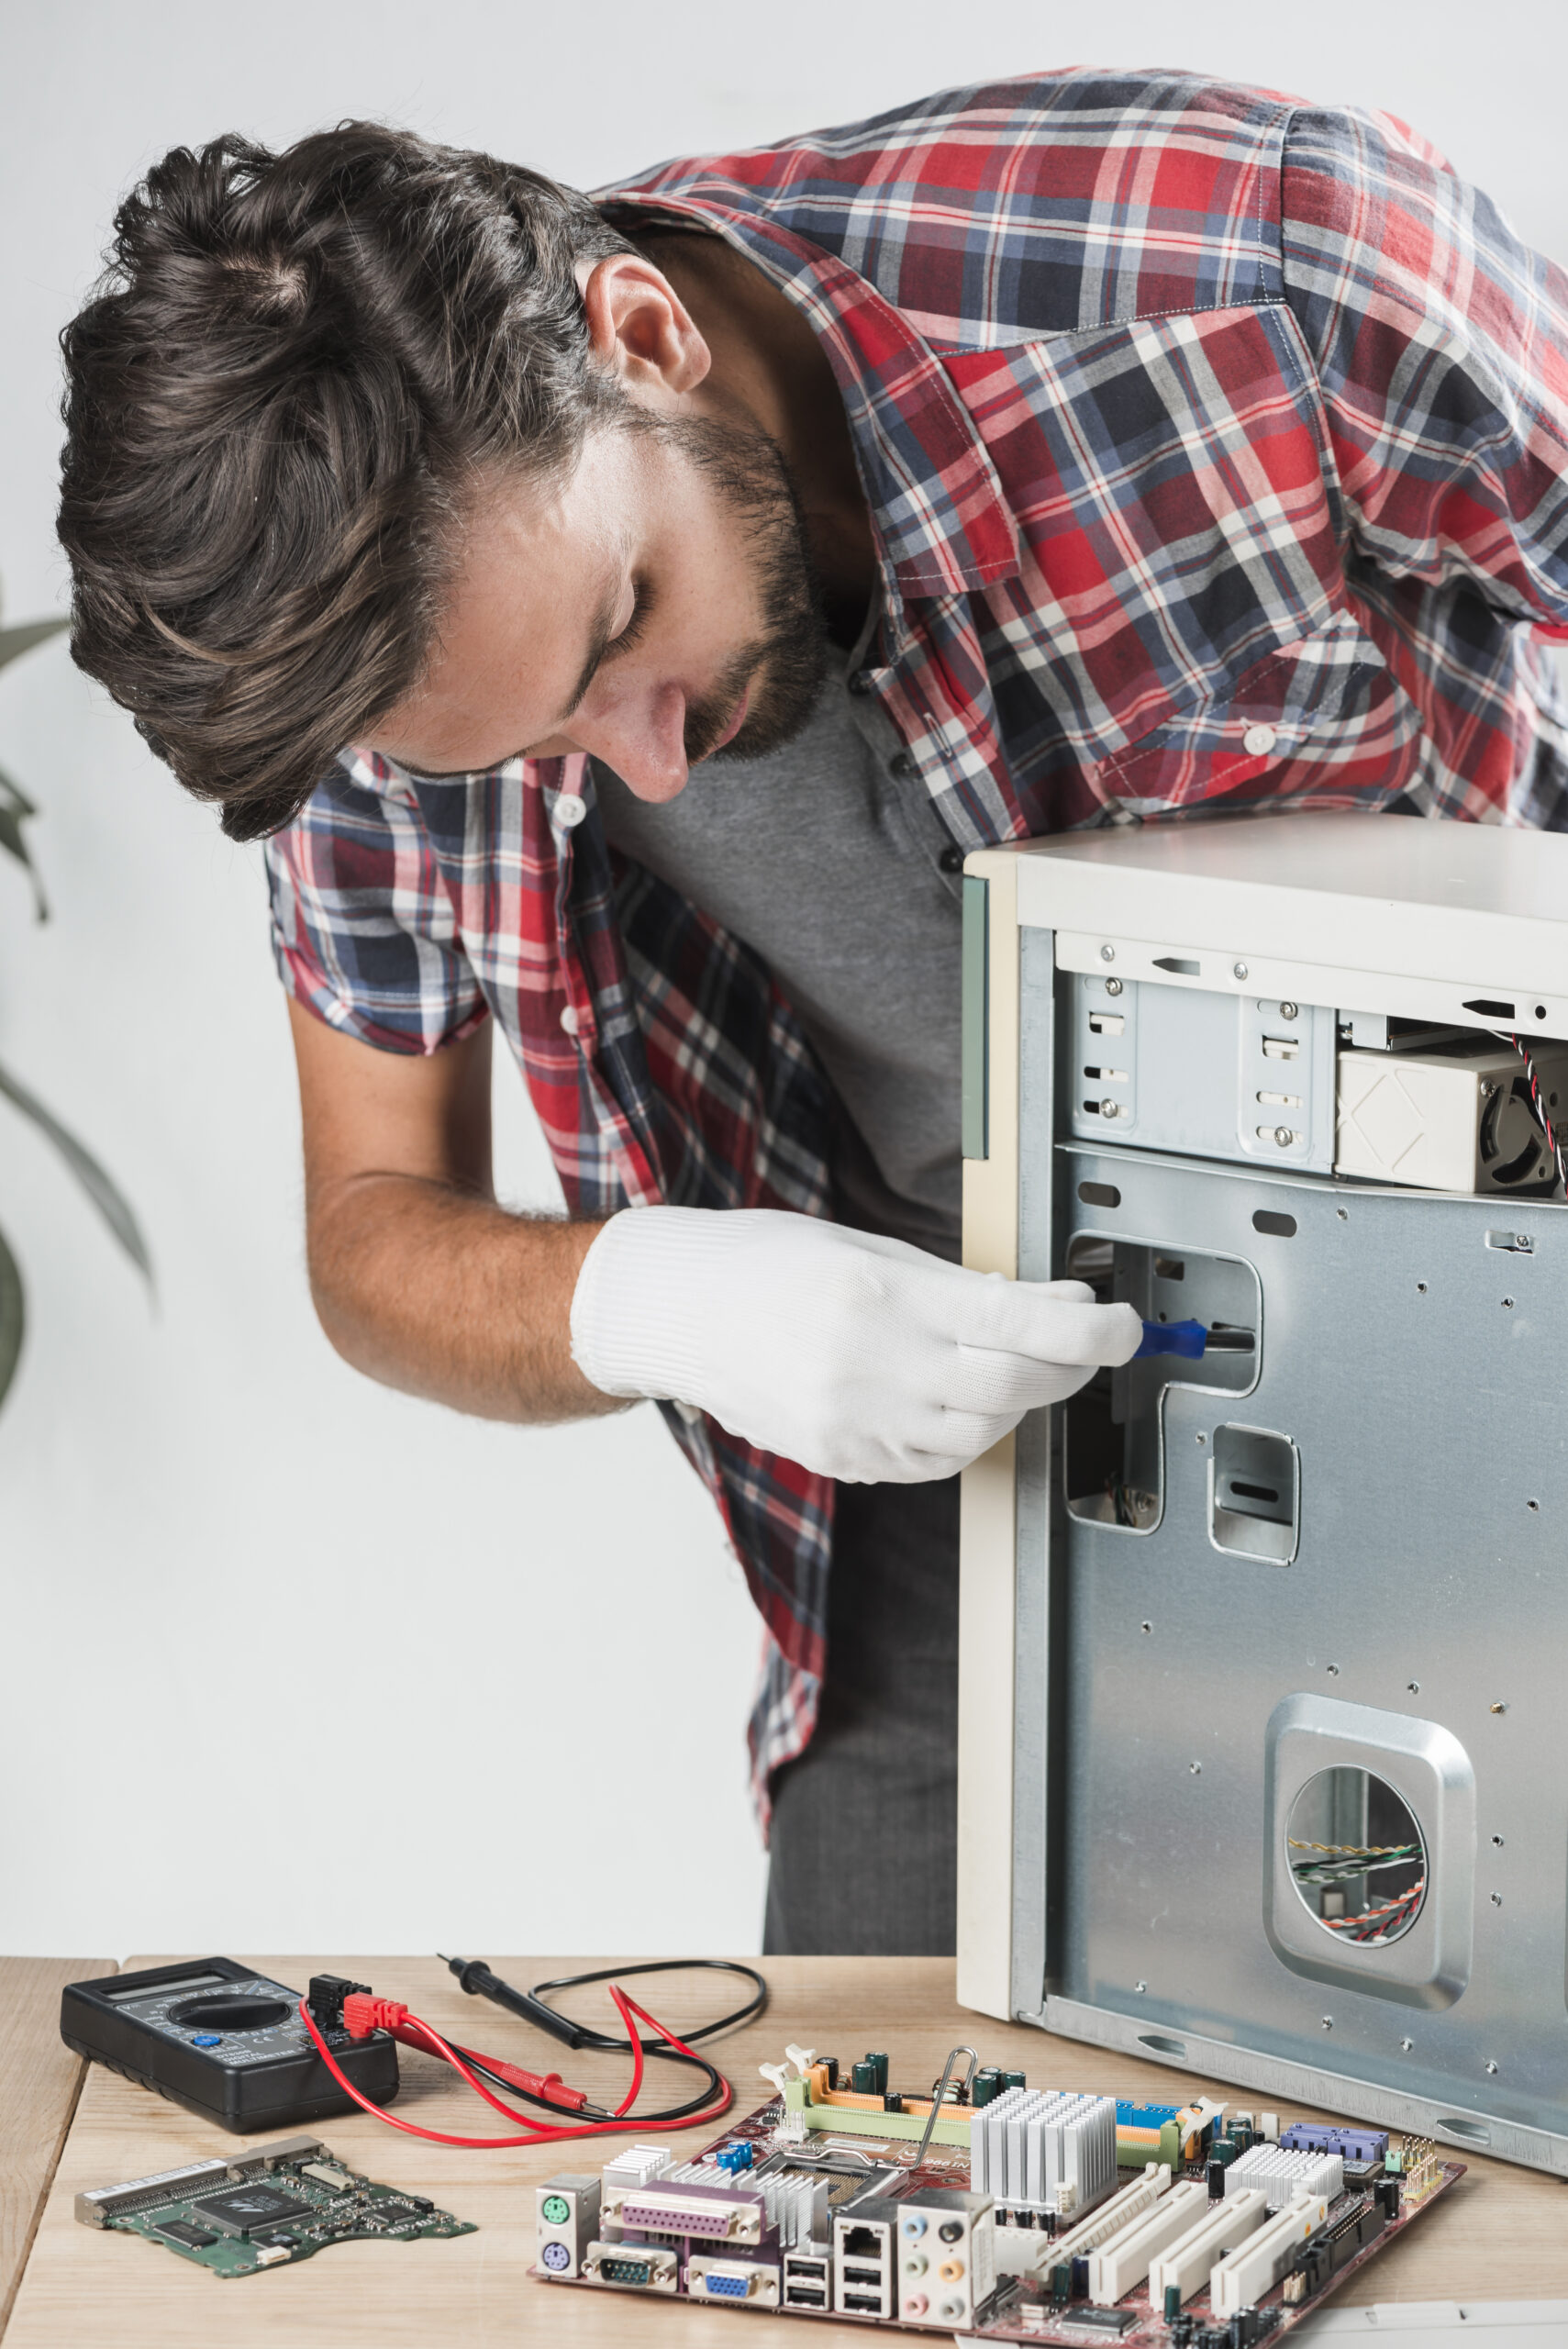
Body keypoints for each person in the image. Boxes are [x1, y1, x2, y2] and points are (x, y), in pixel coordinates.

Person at [56, 71, 1568, 1956]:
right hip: (962, 1458)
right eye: (545, 743)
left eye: (624, 631)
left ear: (645, 333)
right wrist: (660, 1292)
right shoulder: (385, 683)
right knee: (867, 2132)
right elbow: (374, 1234)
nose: (649, 756)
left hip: (1501, 1324)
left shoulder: (1259, 261)